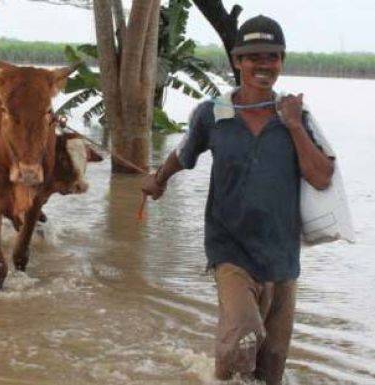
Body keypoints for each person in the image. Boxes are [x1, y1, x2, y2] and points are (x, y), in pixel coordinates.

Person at [141, 15, 334, 384]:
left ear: (281, 62)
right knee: (242, 338)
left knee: (271, 366)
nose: (263, 65)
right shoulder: (213, 114)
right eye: (253, 57)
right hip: (230, 249)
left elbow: (321, 177)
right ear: (237, 61)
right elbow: (183, 153)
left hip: (281, 255)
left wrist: (292, 124)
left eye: (272, 57)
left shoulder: (298, 116)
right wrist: (158, 180)